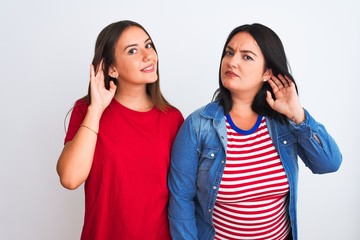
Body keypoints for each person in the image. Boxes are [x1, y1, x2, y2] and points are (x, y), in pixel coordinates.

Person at [168, 23, 342, 240]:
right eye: (229, 53)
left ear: (267, 72)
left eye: (246, 57)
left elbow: (329, 163)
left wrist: (298, 115)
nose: (232, 62)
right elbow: (180, 199)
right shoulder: (198, 125)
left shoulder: (285, 122)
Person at [56, 20, 184, 239]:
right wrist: (96, 109)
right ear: (112, 68)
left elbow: (183, 194)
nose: (147, 55)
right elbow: (70, 178)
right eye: (133, 51)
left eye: (149, 45)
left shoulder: (172, 119)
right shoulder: (86, 110)